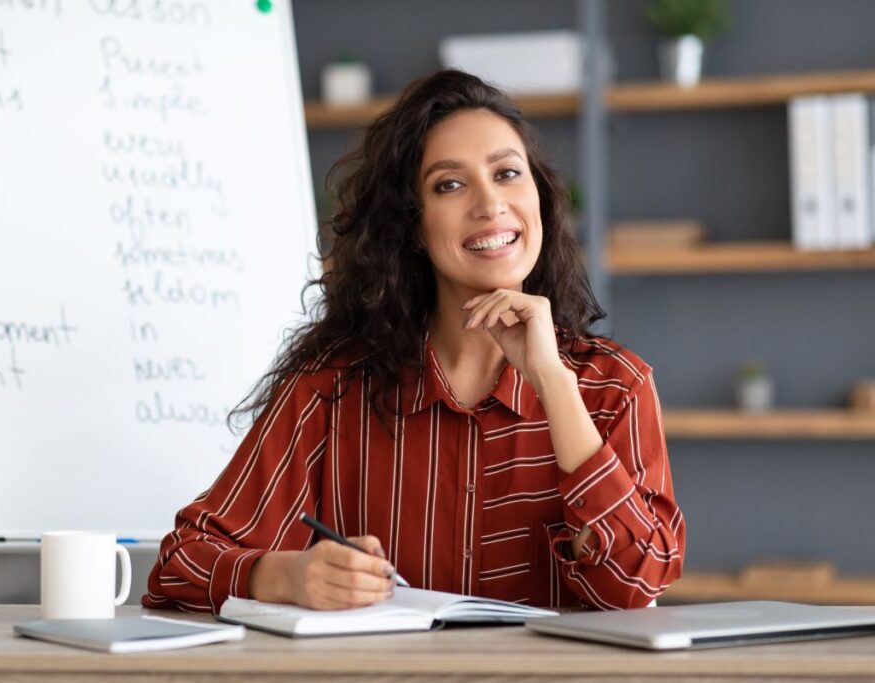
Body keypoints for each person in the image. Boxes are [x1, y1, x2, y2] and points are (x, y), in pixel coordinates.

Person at [143, 70, 684, 613]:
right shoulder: (331, 389)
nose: (490, 203)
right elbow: (179, 565)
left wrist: (553, 382)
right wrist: (284, 576)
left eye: (507, 173)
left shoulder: (614, 387)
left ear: (539, 198)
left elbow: (636, 584)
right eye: (449, 184)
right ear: (412, 227)